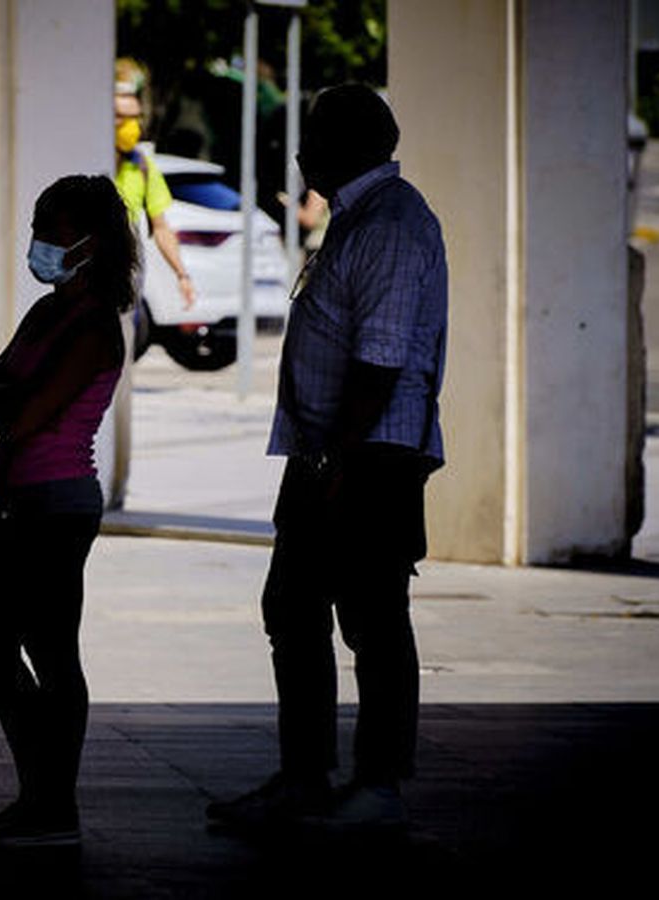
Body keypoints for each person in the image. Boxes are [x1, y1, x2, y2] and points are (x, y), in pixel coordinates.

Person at [206, 84, 448, 835]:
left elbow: (380, 361)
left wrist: (335, 460)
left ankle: (378, 782)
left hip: (367, 456)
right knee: (295, 606)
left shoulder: (390, 224)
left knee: (372, 617)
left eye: (312, 136)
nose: (301, 150)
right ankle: (304, 777)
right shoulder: (357, 218)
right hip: (330, 451)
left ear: (342, 146)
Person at [0, 175, 135, 849]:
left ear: (92, 242)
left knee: (48, 650)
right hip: (17, 502)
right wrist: (7, 397)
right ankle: (43, 786)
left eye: (53, 229)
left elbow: (22, 414)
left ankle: (51, 799)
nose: (40, 241)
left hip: (57, 505)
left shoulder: (93, 329)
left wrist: (8, 398)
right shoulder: (46, 314)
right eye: (39, 223)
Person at [114, 92, 195, 309]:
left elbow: (161, 228)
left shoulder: (142, 166)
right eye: (122, 117)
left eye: (135, 117)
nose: (131, 126)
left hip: (123, 281)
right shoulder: (88, 160)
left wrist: (182, 275)